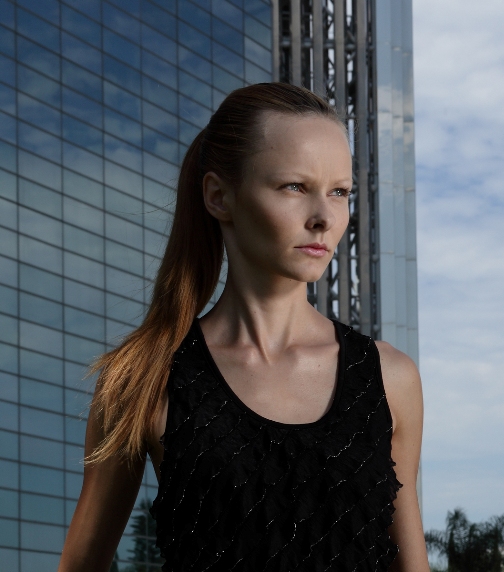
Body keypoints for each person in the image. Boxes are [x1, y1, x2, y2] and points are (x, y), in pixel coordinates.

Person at [58, 82, 429, 572]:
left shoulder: (390, 377)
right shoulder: (143, 379)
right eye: (294, 187)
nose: (324, 217)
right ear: (219, 196)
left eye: (339, 192)